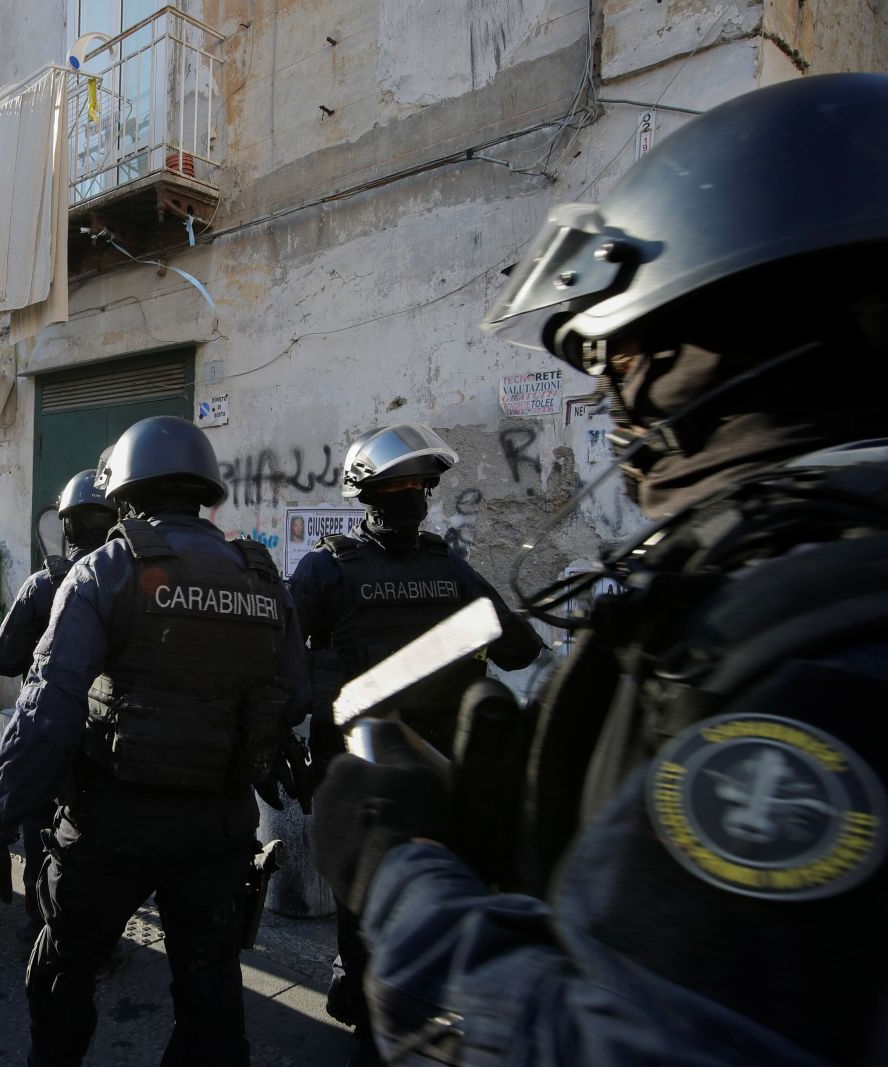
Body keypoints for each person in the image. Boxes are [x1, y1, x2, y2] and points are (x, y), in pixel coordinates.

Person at [312, 73, 888, 1065]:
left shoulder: (813, 631)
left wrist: (398, 868)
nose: (621, 414)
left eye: (624, 362)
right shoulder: (773, 579)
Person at [0, 415, 311, 1066]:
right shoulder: (263, 577)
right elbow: (293, 696)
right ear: (205, 491)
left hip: (113, 824)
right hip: (219, 826)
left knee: (62, 972)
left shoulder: (107, 570)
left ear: (124, 495)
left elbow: (47, 712)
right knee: (211, 1000)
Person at [287, 423, 542, 1056]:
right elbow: (519, 648)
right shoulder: (441, 567)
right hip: (416, 778)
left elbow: (282, 666)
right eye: (403, 485)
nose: (413, 496)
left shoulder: (335, 569)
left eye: (418, 485)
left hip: (379, 780)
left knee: (372, 911)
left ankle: (377, 1020)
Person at [0, 469, 117, 935]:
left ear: (66, 527)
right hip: (107, 742)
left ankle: (43, 928)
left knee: (42, 832)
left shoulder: (44, 586)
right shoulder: (128, 585)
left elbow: (3, 658)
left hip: (48, 736)